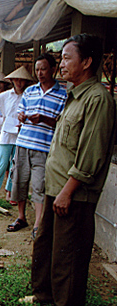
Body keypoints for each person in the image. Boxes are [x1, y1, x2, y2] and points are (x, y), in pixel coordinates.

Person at [24, 34, 117, 306]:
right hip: (57, 190)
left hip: (73, 196)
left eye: (66, 58)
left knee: (68, 260)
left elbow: (91, 154)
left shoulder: (98, 100)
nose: (60, 65)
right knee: (46, 250)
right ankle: (44, 298)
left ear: (86, 62)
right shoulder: (74, 96)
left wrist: (67, 192)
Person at [7, 53, 67, 237]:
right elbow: (20, 111)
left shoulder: (63, 94)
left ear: (53, 70)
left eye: (43, 69)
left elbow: (62, 122)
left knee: (40, 185)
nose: (39, 73)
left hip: (44, 147)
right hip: (23, 143)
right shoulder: (30, 91)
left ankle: (38, 224)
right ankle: (21, 217)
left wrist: (44, 119)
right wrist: (22, 117)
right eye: (37, 69)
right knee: (20, 181)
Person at [0, 66, 34, 202]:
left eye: (21, 80)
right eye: (16, 80)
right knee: (1, 163)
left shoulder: (29, 97)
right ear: (12, 81)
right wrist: (0, 121)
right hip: (6, 135)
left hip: (21, 135)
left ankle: (10, 193)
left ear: (26, 82)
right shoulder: (6, 96)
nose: (18, 83)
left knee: (15, 166)